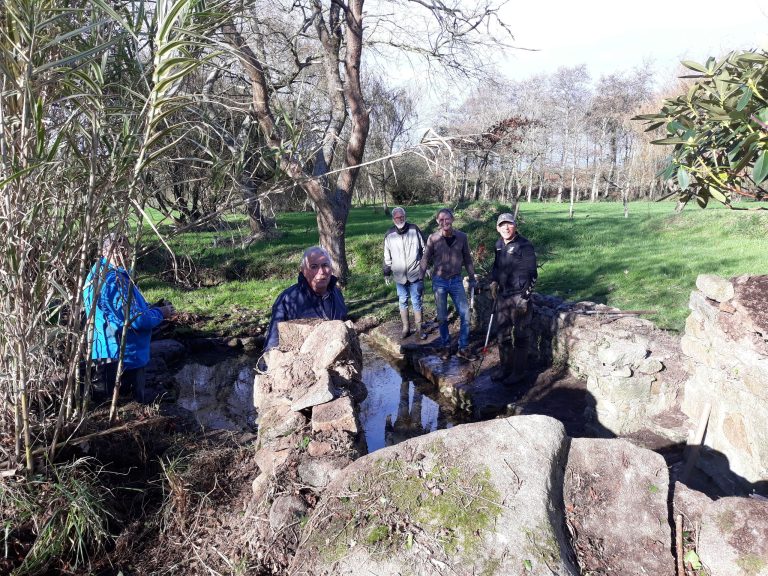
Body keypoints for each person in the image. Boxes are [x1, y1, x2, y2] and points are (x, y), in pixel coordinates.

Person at [83, 234, 175, 403]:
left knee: (112, 404)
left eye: (127, 249)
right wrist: (161, 312)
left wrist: (148, 308)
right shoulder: (113, 281)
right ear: (105, 252)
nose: (125, 254)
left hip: (106, 351)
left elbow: (122, 311)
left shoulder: (99, 273)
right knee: (127, 405)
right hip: (122, 357)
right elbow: (138, 321)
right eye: (119, 250)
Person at [263, 246, 347, 353]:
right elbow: (272, 345)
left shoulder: (337, 294)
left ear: (331, 269)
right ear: (303, 271)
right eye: (314, 267)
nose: (321, 271)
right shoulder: (287, 300)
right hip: (301, 359)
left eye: (325, 265)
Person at [419, 208, 478, 361]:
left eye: (447, 219)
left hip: (456, 280)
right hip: (439, 281)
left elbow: (467, 258)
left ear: (452, 219)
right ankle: (446, 345)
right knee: (442, 317)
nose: (444, 222)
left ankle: (463, 347)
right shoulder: (433, 238)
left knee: (465, 314)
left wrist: (472, 277)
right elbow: (425, 259)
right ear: (437, 222)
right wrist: (420, 280)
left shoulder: (462, 237)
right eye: (441, 220)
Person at [488, 213, 538, 385]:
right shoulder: (498, 245)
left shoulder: (525, 245)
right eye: (502, 225)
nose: (506, 228)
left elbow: (533, 274)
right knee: (502, 335)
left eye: (509, 224)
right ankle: (505, 368)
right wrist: (494, 281)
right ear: (498, 228)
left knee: (521, 336)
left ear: (515, 226)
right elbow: (496, 267)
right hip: (503, 297)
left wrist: (525, 298)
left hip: (519, 297)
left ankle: (518, 373)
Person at [383, 207, 427, 340]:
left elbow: (424, 249)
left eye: (402, 216)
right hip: (399, 276)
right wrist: (386, 272)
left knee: (416, 301)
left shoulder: (414, 229)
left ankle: (419, 329)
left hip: (415, 272)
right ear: (393, 219)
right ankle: (406, 328)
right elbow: (387, 256)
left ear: (405, 217)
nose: (400, 219)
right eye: (397, 217)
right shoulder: (389, 234)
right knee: (402, 301)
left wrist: (427, 266)